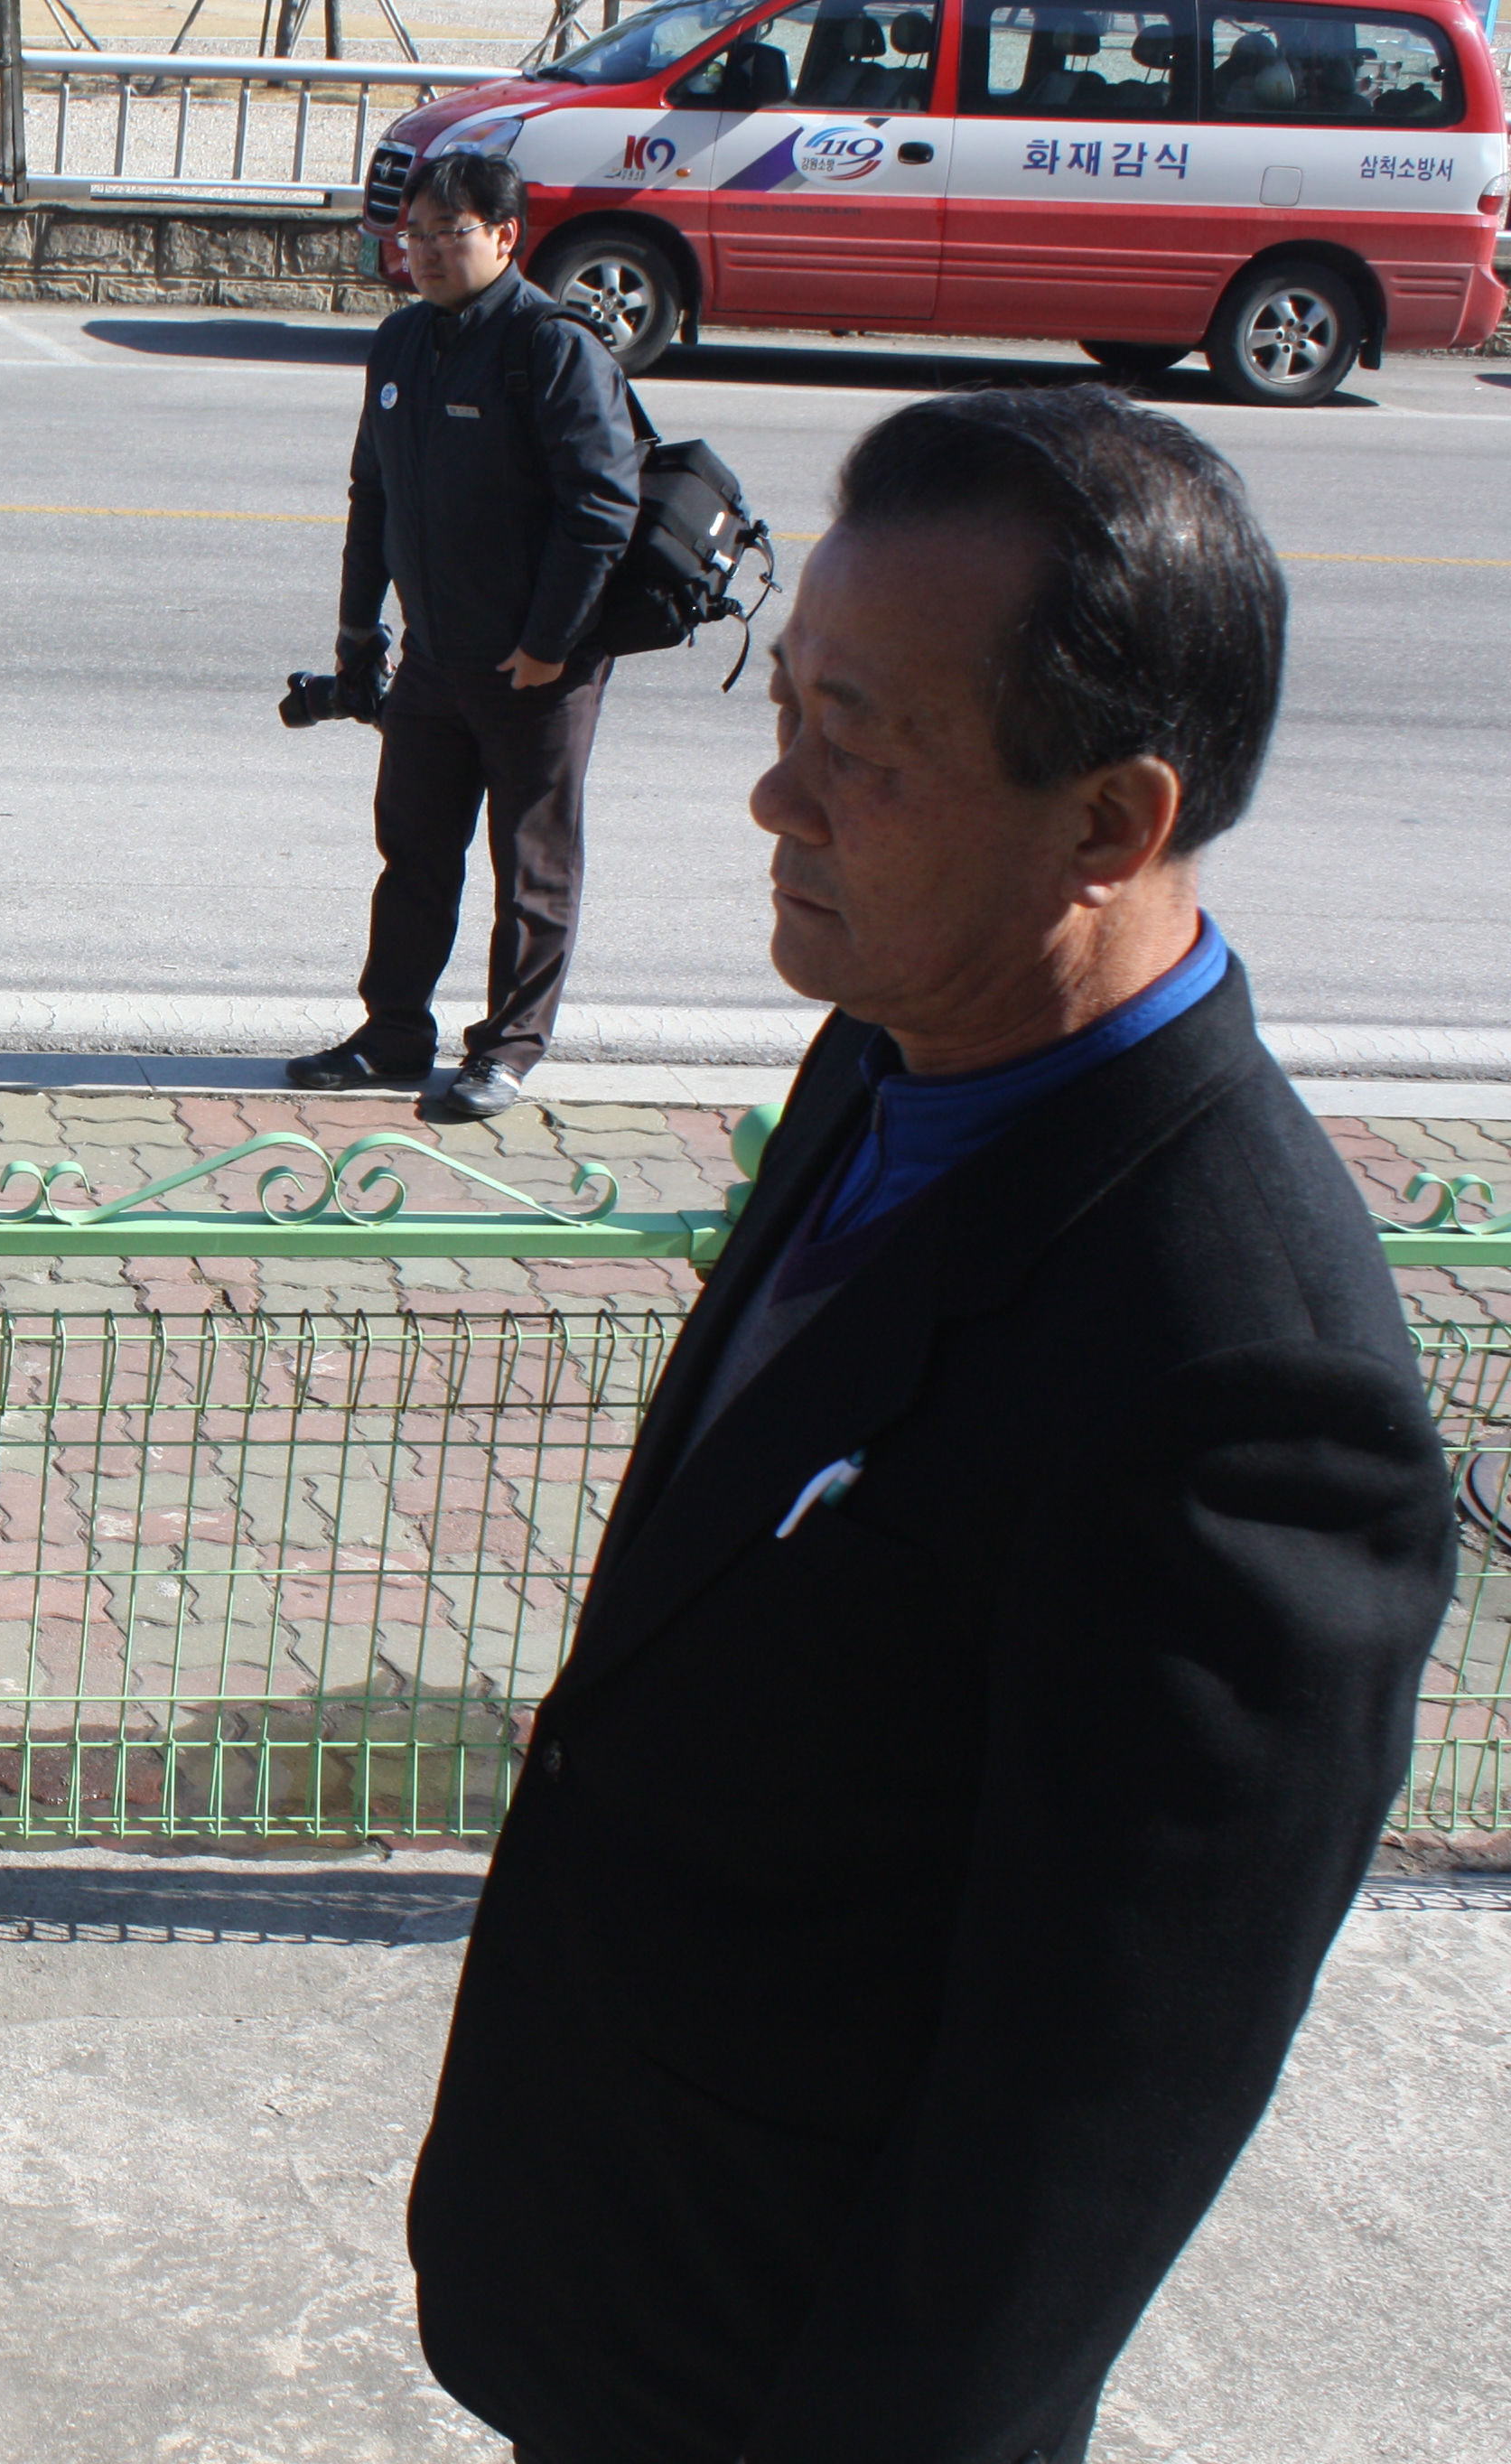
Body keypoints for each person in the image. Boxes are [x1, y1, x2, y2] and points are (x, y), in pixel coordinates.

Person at [406, 388, 1456, 2462]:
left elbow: (1073, 2146)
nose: (775, 795)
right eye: (786, 705)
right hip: (607, 2296)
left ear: (1108, 823)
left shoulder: (1250, 1392)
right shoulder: (897, 1047)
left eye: (862, 746)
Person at [292, 146, 643, 1125]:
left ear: (505, 236)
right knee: (413, 853)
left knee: (531, 867)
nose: (429, 252)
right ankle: (393, 1033)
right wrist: (357, 632)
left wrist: (549, 642)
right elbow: (373, 495)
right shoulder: (403, 342)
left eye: (451, 232)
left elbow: (601, 511)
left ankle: (508, 1051)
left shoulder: (552, 347)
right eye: (416, 234)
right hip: (432, 659)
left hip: (536, 667)